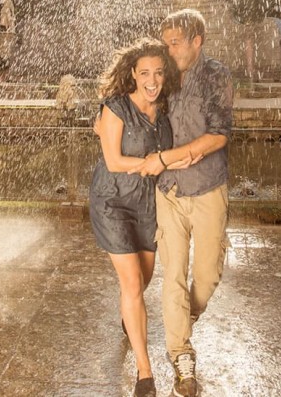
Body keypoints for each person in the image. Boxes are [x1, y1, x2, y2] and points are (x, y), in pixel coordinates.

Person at [131, 9, 233, 397]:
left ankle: (181, 319)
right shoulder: (164, 75)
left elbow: (219, 135)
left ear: (196, 42)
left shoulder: (216, 77)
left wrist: (171, 155)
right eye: (166, 41)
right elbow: (134, 94)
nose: (168, 48)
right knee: (172, 274)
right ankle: (181, 356)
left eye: (175, 42)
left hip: (207, 188)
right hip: (169, 191)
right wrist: (108, 114)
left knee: (205, 277)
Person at [90, 37, 196, 397]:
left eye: (158, 74)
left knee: (142, 280)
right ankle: (144, 373)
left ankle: (128, 313)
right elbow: (114, 162)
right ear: (133, 74)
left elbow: (172, 152)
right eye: (145, 73)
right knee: (133, 283)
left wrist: (182, 159)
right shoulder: (116, 108)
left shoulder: (163, 111)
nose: (152, 81)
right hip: (113, 202)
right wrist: (155, 162)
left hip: (148, 205)